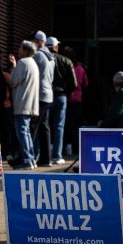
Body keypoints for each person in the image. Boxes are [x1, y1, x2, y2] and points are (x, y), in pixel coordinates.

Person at [46, 37, 77, 165]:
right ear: (56, 47)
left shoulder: (43, 59)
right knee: (59, 127)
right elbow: (73, 82)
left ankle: (43, 154)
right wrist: (67, 93)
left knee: (45, 126)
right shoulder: (66, 61)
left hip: (47, 96)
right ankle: (57, 156)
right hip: (61, 96)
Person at [8, 41, 39, 170]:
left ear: (26, 51)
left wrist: (13, 67)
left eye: (20, 48)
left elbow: (13, 81)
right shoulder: (33, 63)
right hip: (30, 103)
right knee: (26, 133)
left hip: (22, 103)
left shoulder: (23, 62)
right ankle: (30, 159)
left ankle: (27, 160)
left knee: (22, 133)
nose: (18, 50)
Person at [27, 30, 54, 167]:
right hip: (48, 94)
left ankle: (26, 157)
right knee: (44, 127)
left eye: (31, 40)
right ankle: (45, 158)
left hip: (39, 95)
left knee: (32, 127)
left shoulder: (37, 55)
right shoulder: (51, 57)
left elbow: (30, 73)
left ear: (38, 41)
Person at [62, 47, 88, 155]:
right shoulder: (80, 69)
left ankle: (64, 145)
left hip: (66, 98)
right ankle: (74, 146)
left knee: (64, 123)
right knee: (76, 124)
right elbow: (86, 84)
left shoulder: (62, 68)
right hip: (77, 99)